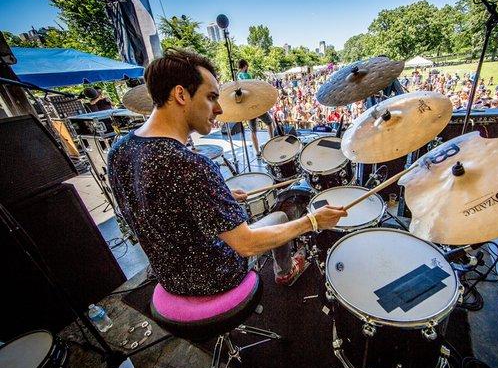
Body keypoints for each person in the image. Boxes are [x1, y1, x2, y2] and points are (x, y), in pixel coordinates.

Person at [107, 49, 347, 295]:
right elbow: (247, 245)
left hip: (168, 275)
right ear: (180, 94)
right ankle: (285, 272)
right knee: (281, 217)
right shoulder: (189, 164)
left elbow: (158, 207)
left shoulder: (118, 150)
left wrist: (213, 197)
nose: (220, 109)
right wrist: (313, 221)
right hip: (212, 277)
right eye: (211, 97)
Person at [237, 59, 274, 157]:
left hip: (248, 109)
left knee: (253, 131)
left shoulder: (237, 77)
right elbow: (253, 89)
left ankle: (257, 152)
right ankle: (272, 141)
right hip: (256, 106)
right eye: (247, 66)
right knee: (270, 123)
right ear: (245, 66)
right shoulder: (247, 75)